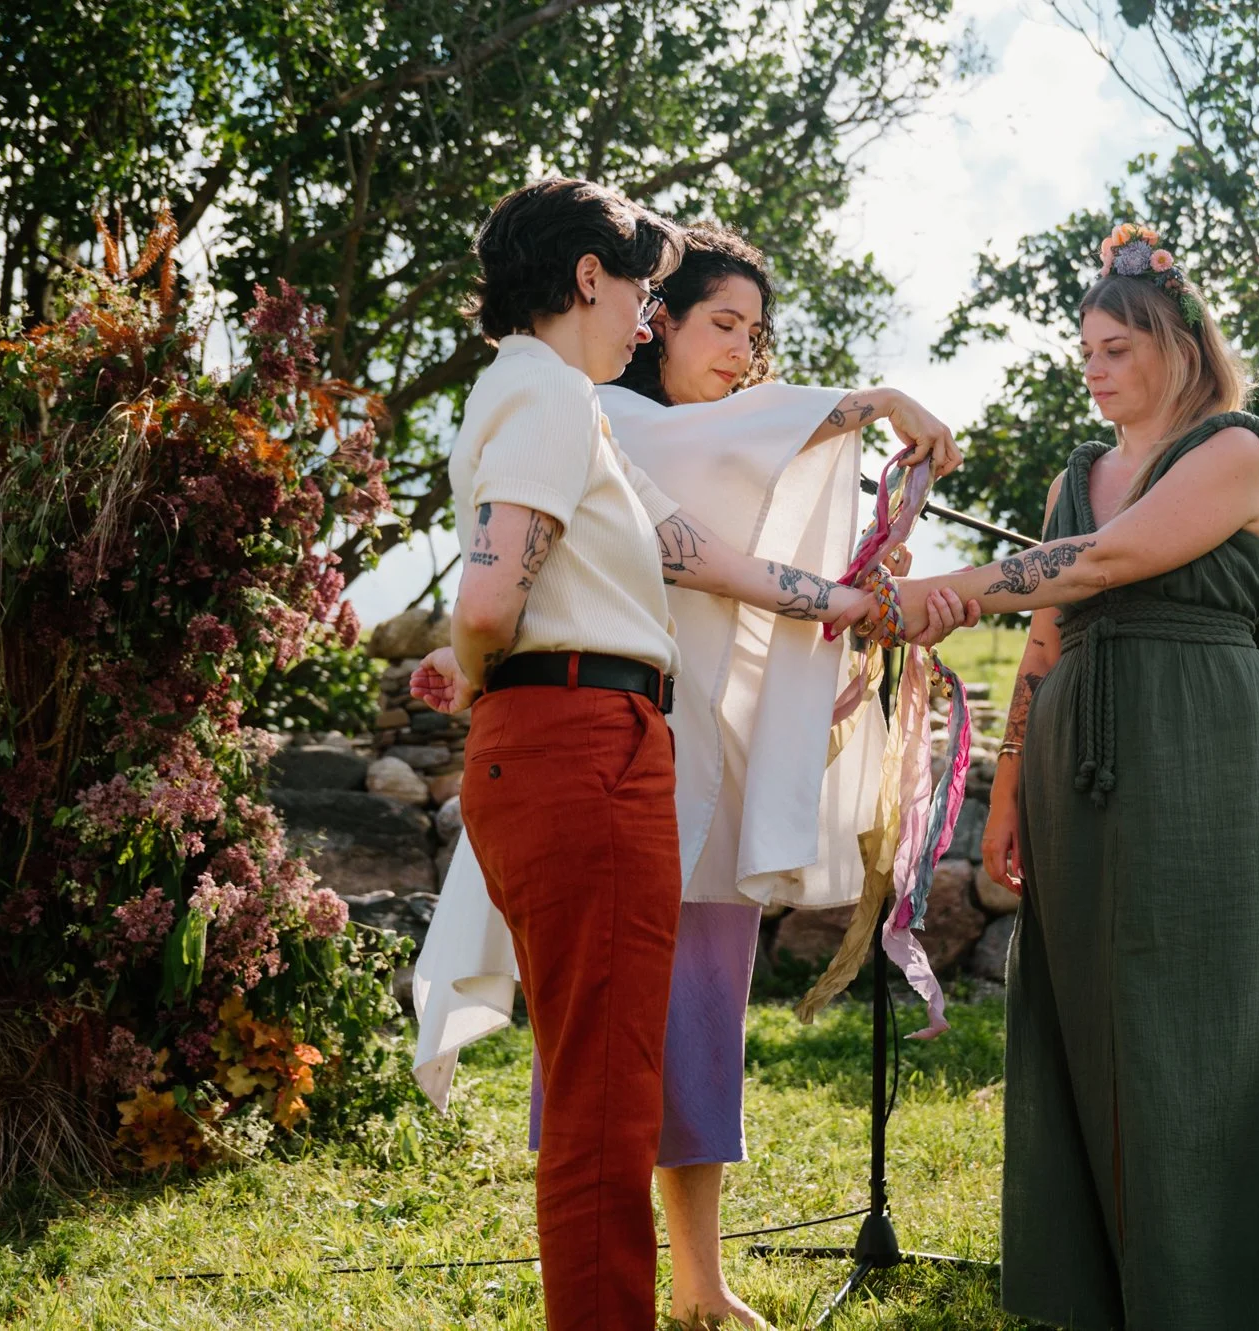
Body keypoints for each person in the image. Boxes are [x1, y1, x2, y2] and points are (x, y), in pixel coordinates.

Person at [413, 212, 975, 1329]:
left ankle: (652, 1297)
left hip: (596, 733)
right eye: (640, 290)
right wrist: (488, 664)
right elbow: (489, 597)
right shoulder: (551, 394)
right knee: (602, 1096)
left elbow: (687, 553)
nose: (643, 314)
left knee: (609, 1084)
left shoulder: (556, 406)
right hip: (577, 735)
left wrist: (856, 603)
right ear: (589, 278)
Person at [891, 224, 1259, 1329]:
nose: (1092, 369)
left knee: (1199, 1014)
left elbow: (1106, 560)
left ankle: (1220, 1294)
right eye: (1084, 351)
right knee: (1094, 1017)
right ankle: (1110, 1292)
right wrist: (1006, 793)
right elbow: (1045, 640)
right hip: (1076, 770)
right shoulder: (1071, 478)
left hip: (1202, 755)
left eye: (1113, 348)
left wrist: (942, 587)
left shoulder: (1233, 449)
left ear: (1176, 345)